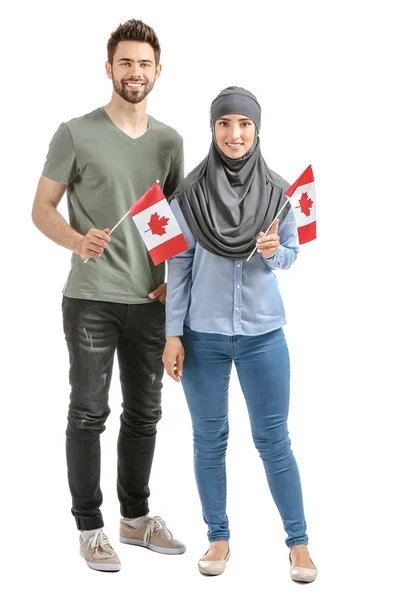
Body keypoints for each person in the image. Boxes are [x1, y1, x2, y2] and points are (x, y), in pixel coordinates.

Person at [32, 19, 186, 572]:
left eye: (144, 64)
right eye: (126, 63)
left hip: (151, 300)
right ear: (109, 69)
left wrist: (176, 283)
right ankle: (90, 527)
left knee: (145, 414)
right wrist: (77, 239)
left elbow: (173, 223)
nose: (135, 72)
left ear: (158, 71)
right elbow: (41, 209)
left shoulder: (170, 141)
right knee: (88, 412)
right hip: (92, 298)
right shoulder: (74, 133)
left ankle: (136, 519)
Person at [162, 86, 317, 582]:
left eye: (244, 124)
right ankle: (218, 538)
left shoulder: (280, 192)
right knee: (209, 440)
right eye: (225, 124)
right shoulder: (189, 194)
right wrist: (172, 335)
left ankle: (299, 544)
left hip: (263, 336)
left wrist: (274, 251)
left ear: (257, 129)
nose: (234, 134)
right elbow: (179, 267)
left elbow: (291, 256)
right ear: (213, 129)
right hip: (201, 336)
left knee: (274, 440)